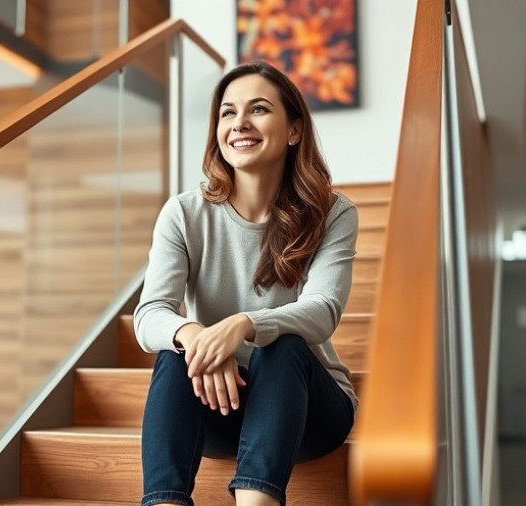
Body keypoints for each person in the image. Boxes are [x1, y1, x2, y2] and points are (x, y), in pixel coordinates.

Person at [133, 61, 359, 506]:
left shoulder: (333, 213)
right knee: (175, 350)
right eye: (227, 112)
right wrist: (196, 336)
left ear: (294, 130)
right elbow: (149, 314)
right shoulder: (183, 213)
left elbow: (322, 311)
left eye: (258, 109)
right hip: (220, 404)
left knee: (284, 344)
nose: (239, 123)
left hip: (308, 412)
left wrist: (242, 325)